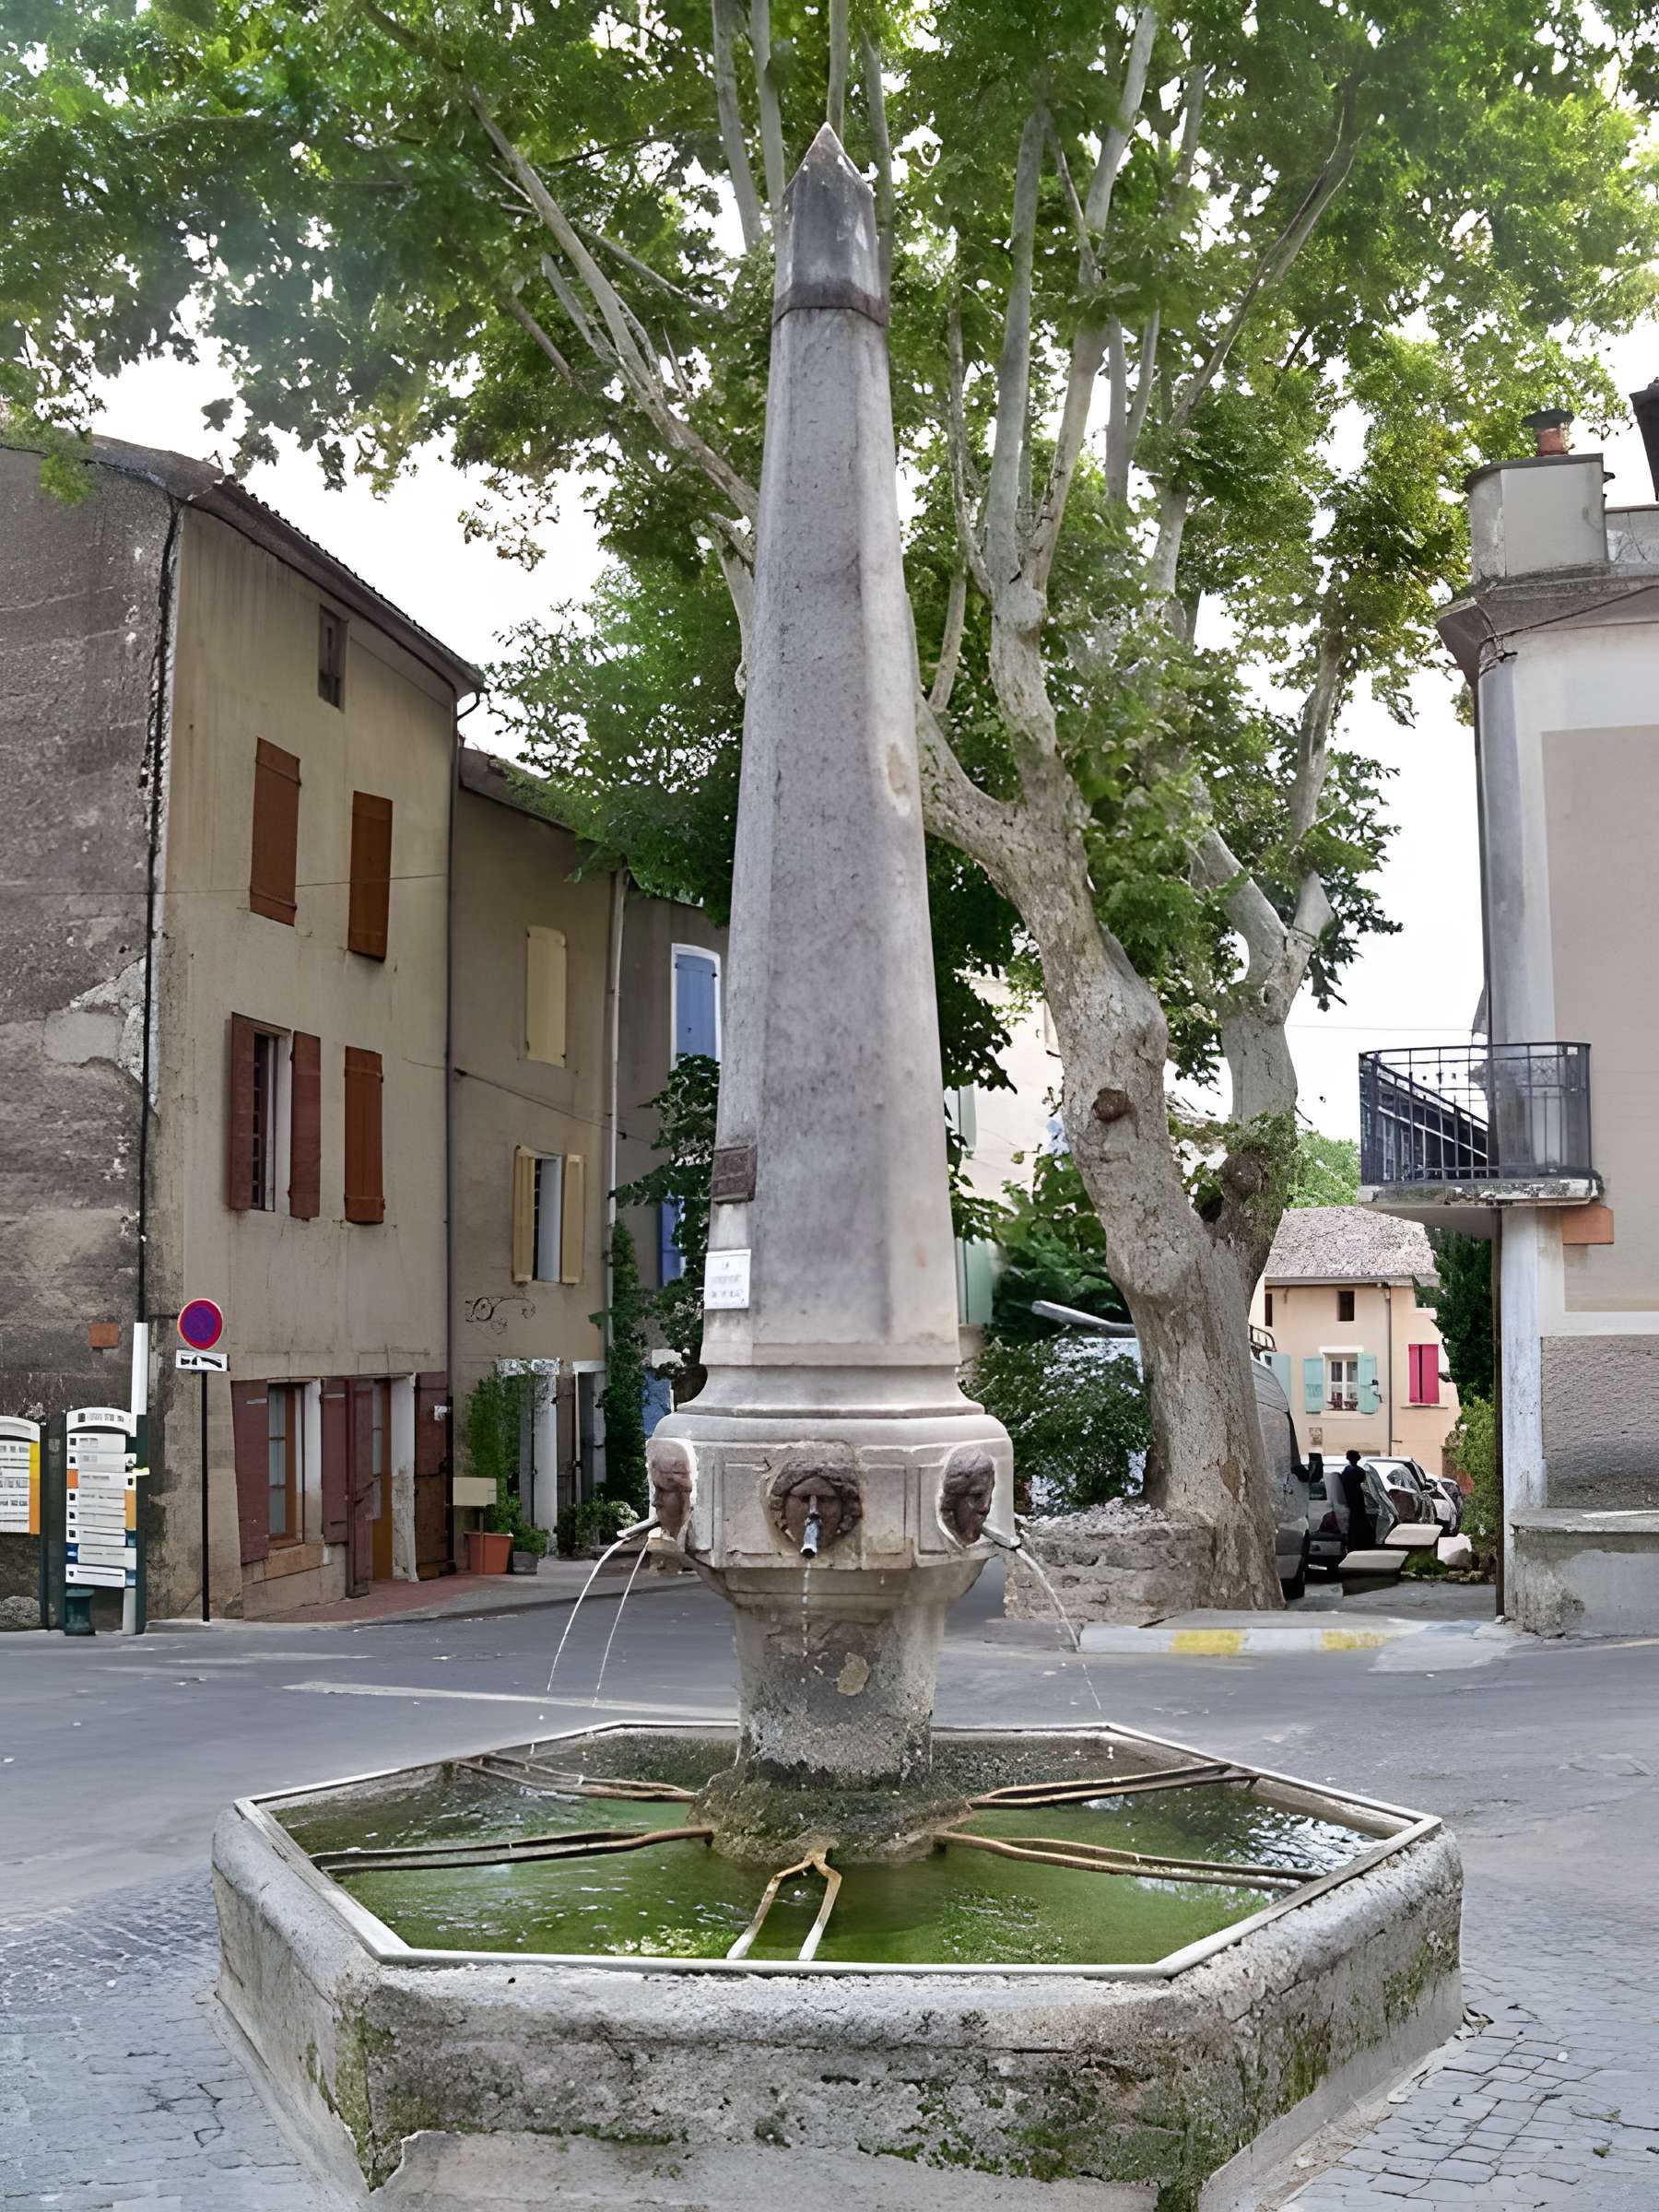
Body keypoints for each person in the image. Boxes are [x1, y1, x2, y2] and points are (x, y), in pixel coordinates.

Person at [1338, 1448, 1377, 1550]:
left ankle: (1354, 1542)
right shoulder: (1358, 1471)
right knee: (1359, 1520)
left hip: (1349, 1497)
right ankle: (1361, 1542)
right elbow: (1362, 1480)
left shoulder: (1347, 1470)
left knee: (1354, 1521)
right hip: (1356, 1497)